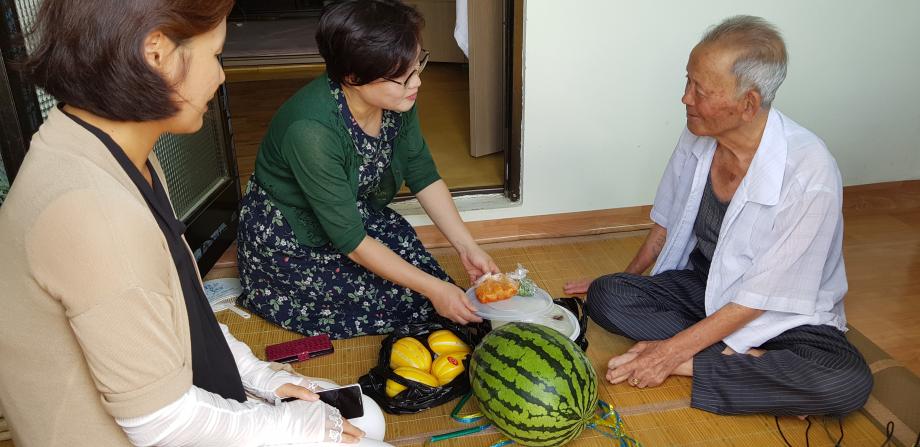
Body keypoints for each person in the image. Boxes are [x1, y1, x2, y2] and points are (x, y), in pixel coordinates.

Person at [0, 0, 388, 445]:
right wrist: (298, 426)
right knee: (351, 429)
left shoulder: (114, 151)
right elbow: (161, 423)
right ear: (157, 54)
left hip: (176, 394)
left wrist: (260, 377)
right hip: (145, 429)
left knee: (366, 417)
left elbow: (181, 316)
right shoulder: (92, 213)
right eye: (216, 54)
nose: (221, 76)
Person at [565, 15, 872, 416]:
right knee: (608, 295)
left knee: (845, 383)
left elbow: (760, 299)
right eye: (687, 81)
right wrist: (628, 278)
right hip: (705, 287)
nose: (686, 98)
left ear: (748, 104)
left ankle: (699, 362)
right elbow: (666, 222)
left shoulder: (809, 172)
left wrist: (669, 355)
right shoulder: (698, 132)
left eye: (701, 90)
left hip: (781, 313)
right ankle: (749, 364)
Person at [237, 0, 498, 339]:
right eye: (403, 77)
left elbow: (423, 174)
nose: (417, 82)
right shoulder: (311, 131)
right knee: (420, 300)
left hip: (347, 215)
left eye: (417, 65)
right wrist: (434, 290)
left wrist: (467, 247)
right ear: (353, 76)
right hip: (291, 236)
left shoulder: (398, 100)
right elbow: (351, 241)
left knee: (428, 285)